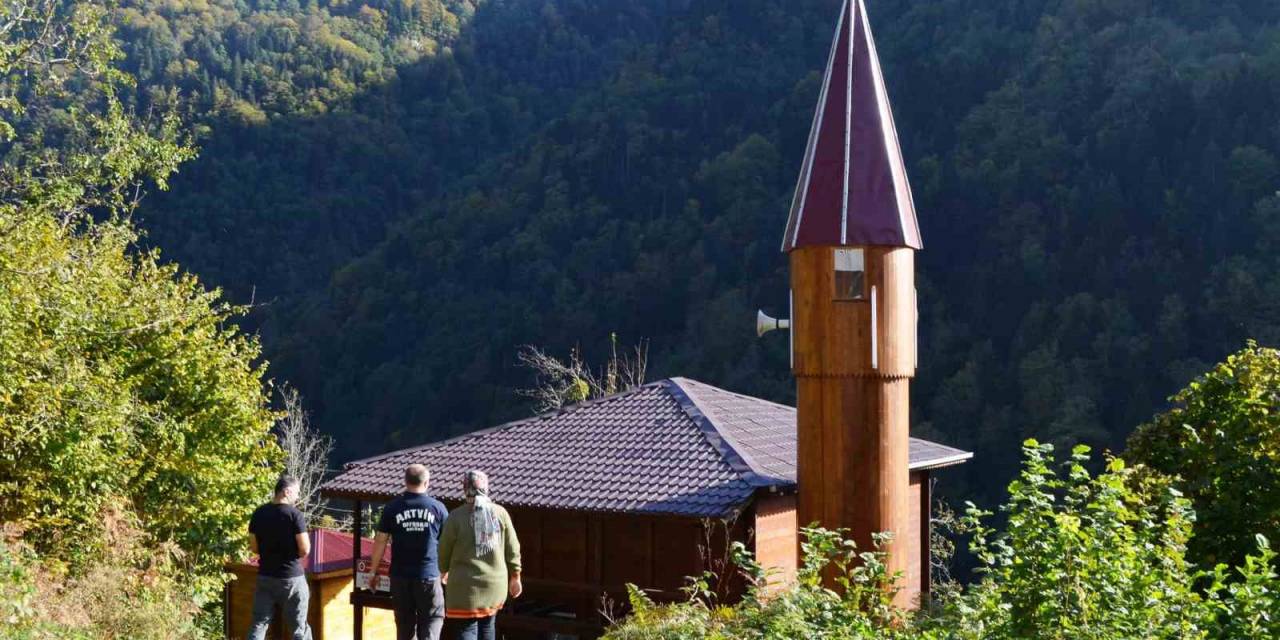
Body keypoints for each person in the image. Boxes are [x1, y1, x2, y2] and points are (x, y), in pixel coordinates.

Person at [369, 464, 450, 640]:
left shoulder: (392, 508)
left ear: (405, 482)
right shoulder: (438, 508)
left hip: (400, 577)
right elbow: (448, 543)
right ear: (427, 483)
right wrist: (446, 570)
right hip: (428, 576)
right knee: (432, 621)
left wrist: (373, 571)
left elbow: (381, 540)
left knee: (404, 626)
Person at [439, 470, 522, 640]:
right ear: (486, 487)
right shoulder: (500, 514)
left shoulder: (455, 517)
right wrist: (516, 576)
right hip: (494, 587)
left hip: (464, 590)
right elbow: (513, 548)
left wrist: (443, 571)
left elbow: (443, 550)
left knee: (466, 629)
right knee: (488, 626)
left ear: (464, 488)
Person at [247, 475, 313, 640]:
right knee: (299, 628)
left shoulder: (258, 513)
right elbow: (305, 549)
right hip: (291, 578)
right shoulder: (294, 515)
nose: (298, 496)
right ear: (286, 491)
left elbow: (254, 547)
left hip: (266, 576)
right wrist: (290, 555)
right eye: (296, 492)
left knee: (259, 624)